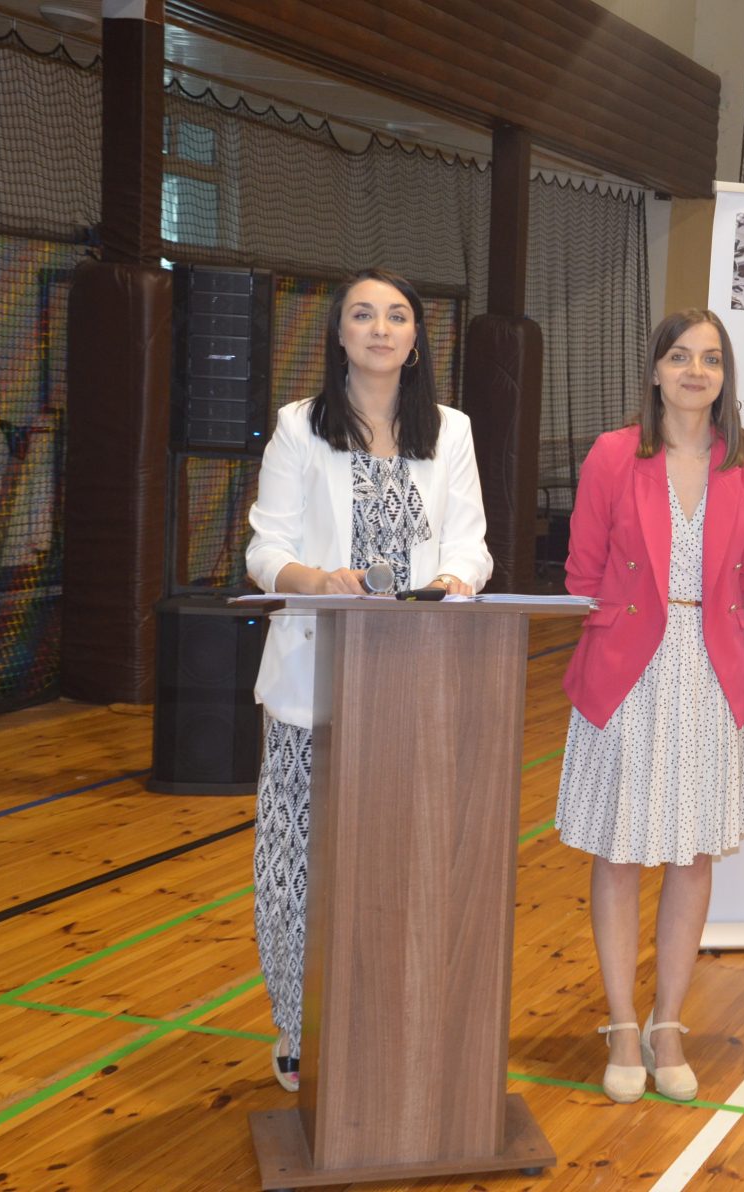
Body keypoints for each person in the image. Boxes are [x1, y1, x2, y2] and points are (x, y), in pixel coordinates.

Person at [245, 268, 491, 1092]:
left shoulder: (451, 431)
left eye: (396, 316)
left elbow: (470, 543)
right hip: (313, 685)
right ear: (340, 335)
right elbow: (265, 548)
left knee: (406, 860)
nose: (380, 328)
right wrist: (316, 579)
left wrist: (457, 579)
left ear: (416, 338)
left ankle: (398, 1018)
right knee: (299, 862)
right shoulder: (298, 428)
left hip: (419, 685)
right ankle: (297, 1025)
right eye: (362, 315)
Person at [555, 309, 744, 1104]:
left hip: (708, 670)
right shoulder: (614, 455)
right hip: (626, 673)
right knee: (618, 853)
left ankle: (668, 1023)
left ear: (724, 376)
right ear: (654, 371)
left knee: (691, 857)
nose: (694, 372)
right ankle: (622, 1023)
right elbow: (582, 571)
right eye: (679, 357)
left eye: (710, 359)